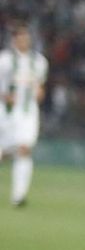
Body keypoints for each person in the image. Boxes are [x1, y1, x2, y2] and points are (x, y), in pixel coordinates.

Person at [0, 23, 48, 207]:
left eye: (26, 36)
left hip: (28, 113)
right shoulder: (4, 60)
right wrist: (4, 95)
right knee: (4, 154)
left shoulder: (39, 61)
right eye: (20, 36)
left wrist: (40, 92)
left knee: (25, 148)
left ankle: (18, 196)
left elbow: (40, 86)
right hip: (5, 113)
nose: (23, 40)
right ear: (13, 39)